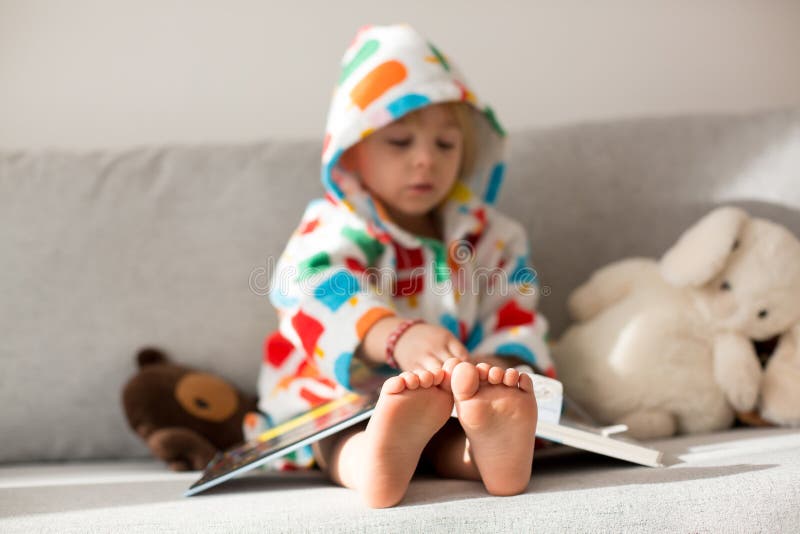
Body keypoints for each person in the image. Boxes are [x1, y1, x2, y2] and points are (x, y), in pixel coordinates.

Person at [247, 24, 554, 508]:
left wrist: (496, 366)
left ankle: (487, 450)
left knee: (466, 418)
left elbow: (514, 308)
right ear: (354, 152)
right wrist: (394, 334)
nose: (425, 161)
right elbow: (308, 284)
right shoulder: (338, 226)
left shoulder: (492, 235)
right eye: (400, 142)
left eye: (445, 145)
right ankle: (370, 458)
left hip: (450, 398)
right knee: (335, 435)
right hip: (340, 394)